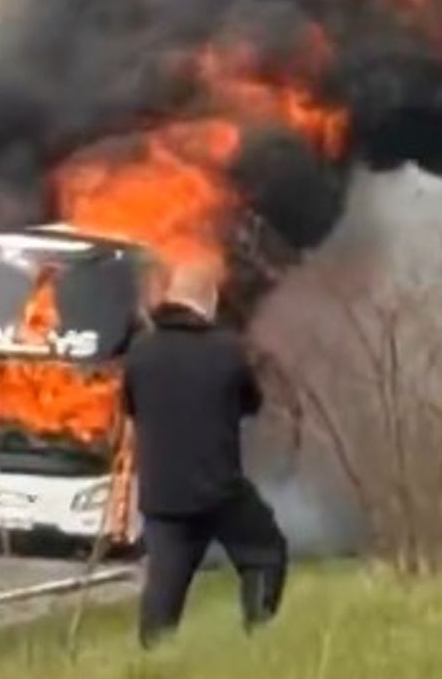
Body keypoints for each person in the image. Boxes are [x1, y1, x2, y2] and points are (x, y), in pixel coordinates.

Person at [123, 263, 288, 648]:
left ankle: (153, 660)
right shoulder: (226, 350)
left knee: (164, 585)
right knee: (264, 551)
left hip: (162, 497)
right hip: (218, 490)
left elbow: (130, 409)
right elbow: (251, 402)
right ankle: (258, 635)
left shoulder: (141, 351)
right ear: (207, 303)